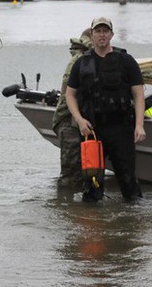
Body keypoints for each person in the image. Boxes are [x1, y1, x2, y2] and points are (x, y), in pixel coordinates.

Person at [65, 17, 145, 202]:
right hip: (92, 131)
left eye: (105, 31)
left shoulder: (126, 60)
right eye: (98, 31)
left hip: (121, 128)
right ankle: (93, 226)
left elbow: (138, 94)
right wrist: (79, 120)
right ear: (91, 35)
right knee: (92, 184)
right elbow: (70, 95)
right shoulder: (81, 63)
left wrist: (139, 125)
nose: (102, 35)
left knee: (128, 183)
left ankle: (132, 224)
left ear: (111, 34)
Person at [51, 29, 93, 188]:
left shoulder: (85, 59)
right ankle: (65, 207)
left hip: (77, 123)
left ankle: (72, 209)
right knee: (70, 176)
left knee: (85, 172)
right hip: (70, 124)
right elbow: (68, 95)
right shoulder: (79, 61)